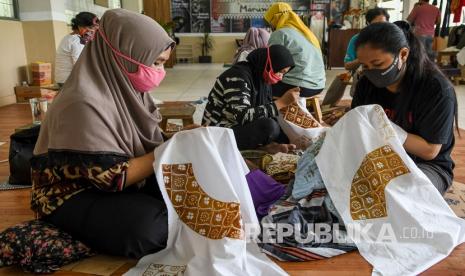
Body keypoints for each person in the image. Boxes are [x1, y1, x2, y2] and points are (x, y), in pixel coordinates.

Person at [30, 9, 189, 258]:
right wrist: (173, 146)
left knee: (188, 191)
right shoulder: (82, 102)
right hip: (71, 194)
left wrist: (186, 138)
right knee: (148, 227)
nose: (159, 71)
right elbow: (110, 177)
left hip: (123, 181)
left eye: (162, 64)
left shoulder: (129, 91)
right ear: (122, 55)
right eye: (155, 62)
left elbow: (149, 143)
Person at [351, 21, 458, 195]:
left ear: (403, 54)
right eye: (365, 66)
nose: (371, 72)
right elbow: (357, 125)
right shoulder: (366, 84)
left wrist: (386, 129)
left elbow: (430, 150)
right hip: (379, 157)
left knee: (398, 194)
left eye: (377, 64)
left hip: (426, 165)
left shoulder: (436, 90)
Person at [202, 45, 299, 152]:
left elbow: (265, 112)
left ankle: (267, 146)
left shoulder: (261, 77)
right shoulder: (237, 76)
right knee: (269, 127)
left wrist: (286, 140)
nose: (281, 77)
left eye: (284, 73)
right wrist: (281, 102)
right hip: (217, 133)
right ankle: (262, 147)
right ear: (270, 64)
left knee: (277, 125)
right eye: (280, 71)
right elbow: (242, 116)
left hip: (235, 126)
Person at [264, 2, 325, 99]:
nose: (270, 25)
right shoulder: (307, 33)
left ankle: (267, 112)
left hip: (298, 87)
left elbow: (270, 63)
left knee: (260, 84)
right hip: (318, 85)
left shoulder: (280, 33)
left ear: (275, 19)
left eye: (270, 21)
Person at [344, 7, 390, 97]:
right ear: (368, 24)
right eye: (375, 25)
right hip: (365, 77)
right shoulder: (358, 39)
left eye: (383, 25)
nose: (379, 29)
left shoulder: (392, 38)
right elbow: (347, 65)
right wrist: (362, 59)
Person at [55, 12, 99, 86]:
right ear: (80, 26)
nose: (91, 31)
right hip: (68, 81)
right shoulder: (75, 41)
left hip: (63, 79)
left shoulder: (69, 37)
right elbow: (80, 65)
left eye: (93, 28)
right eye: (90, 27)